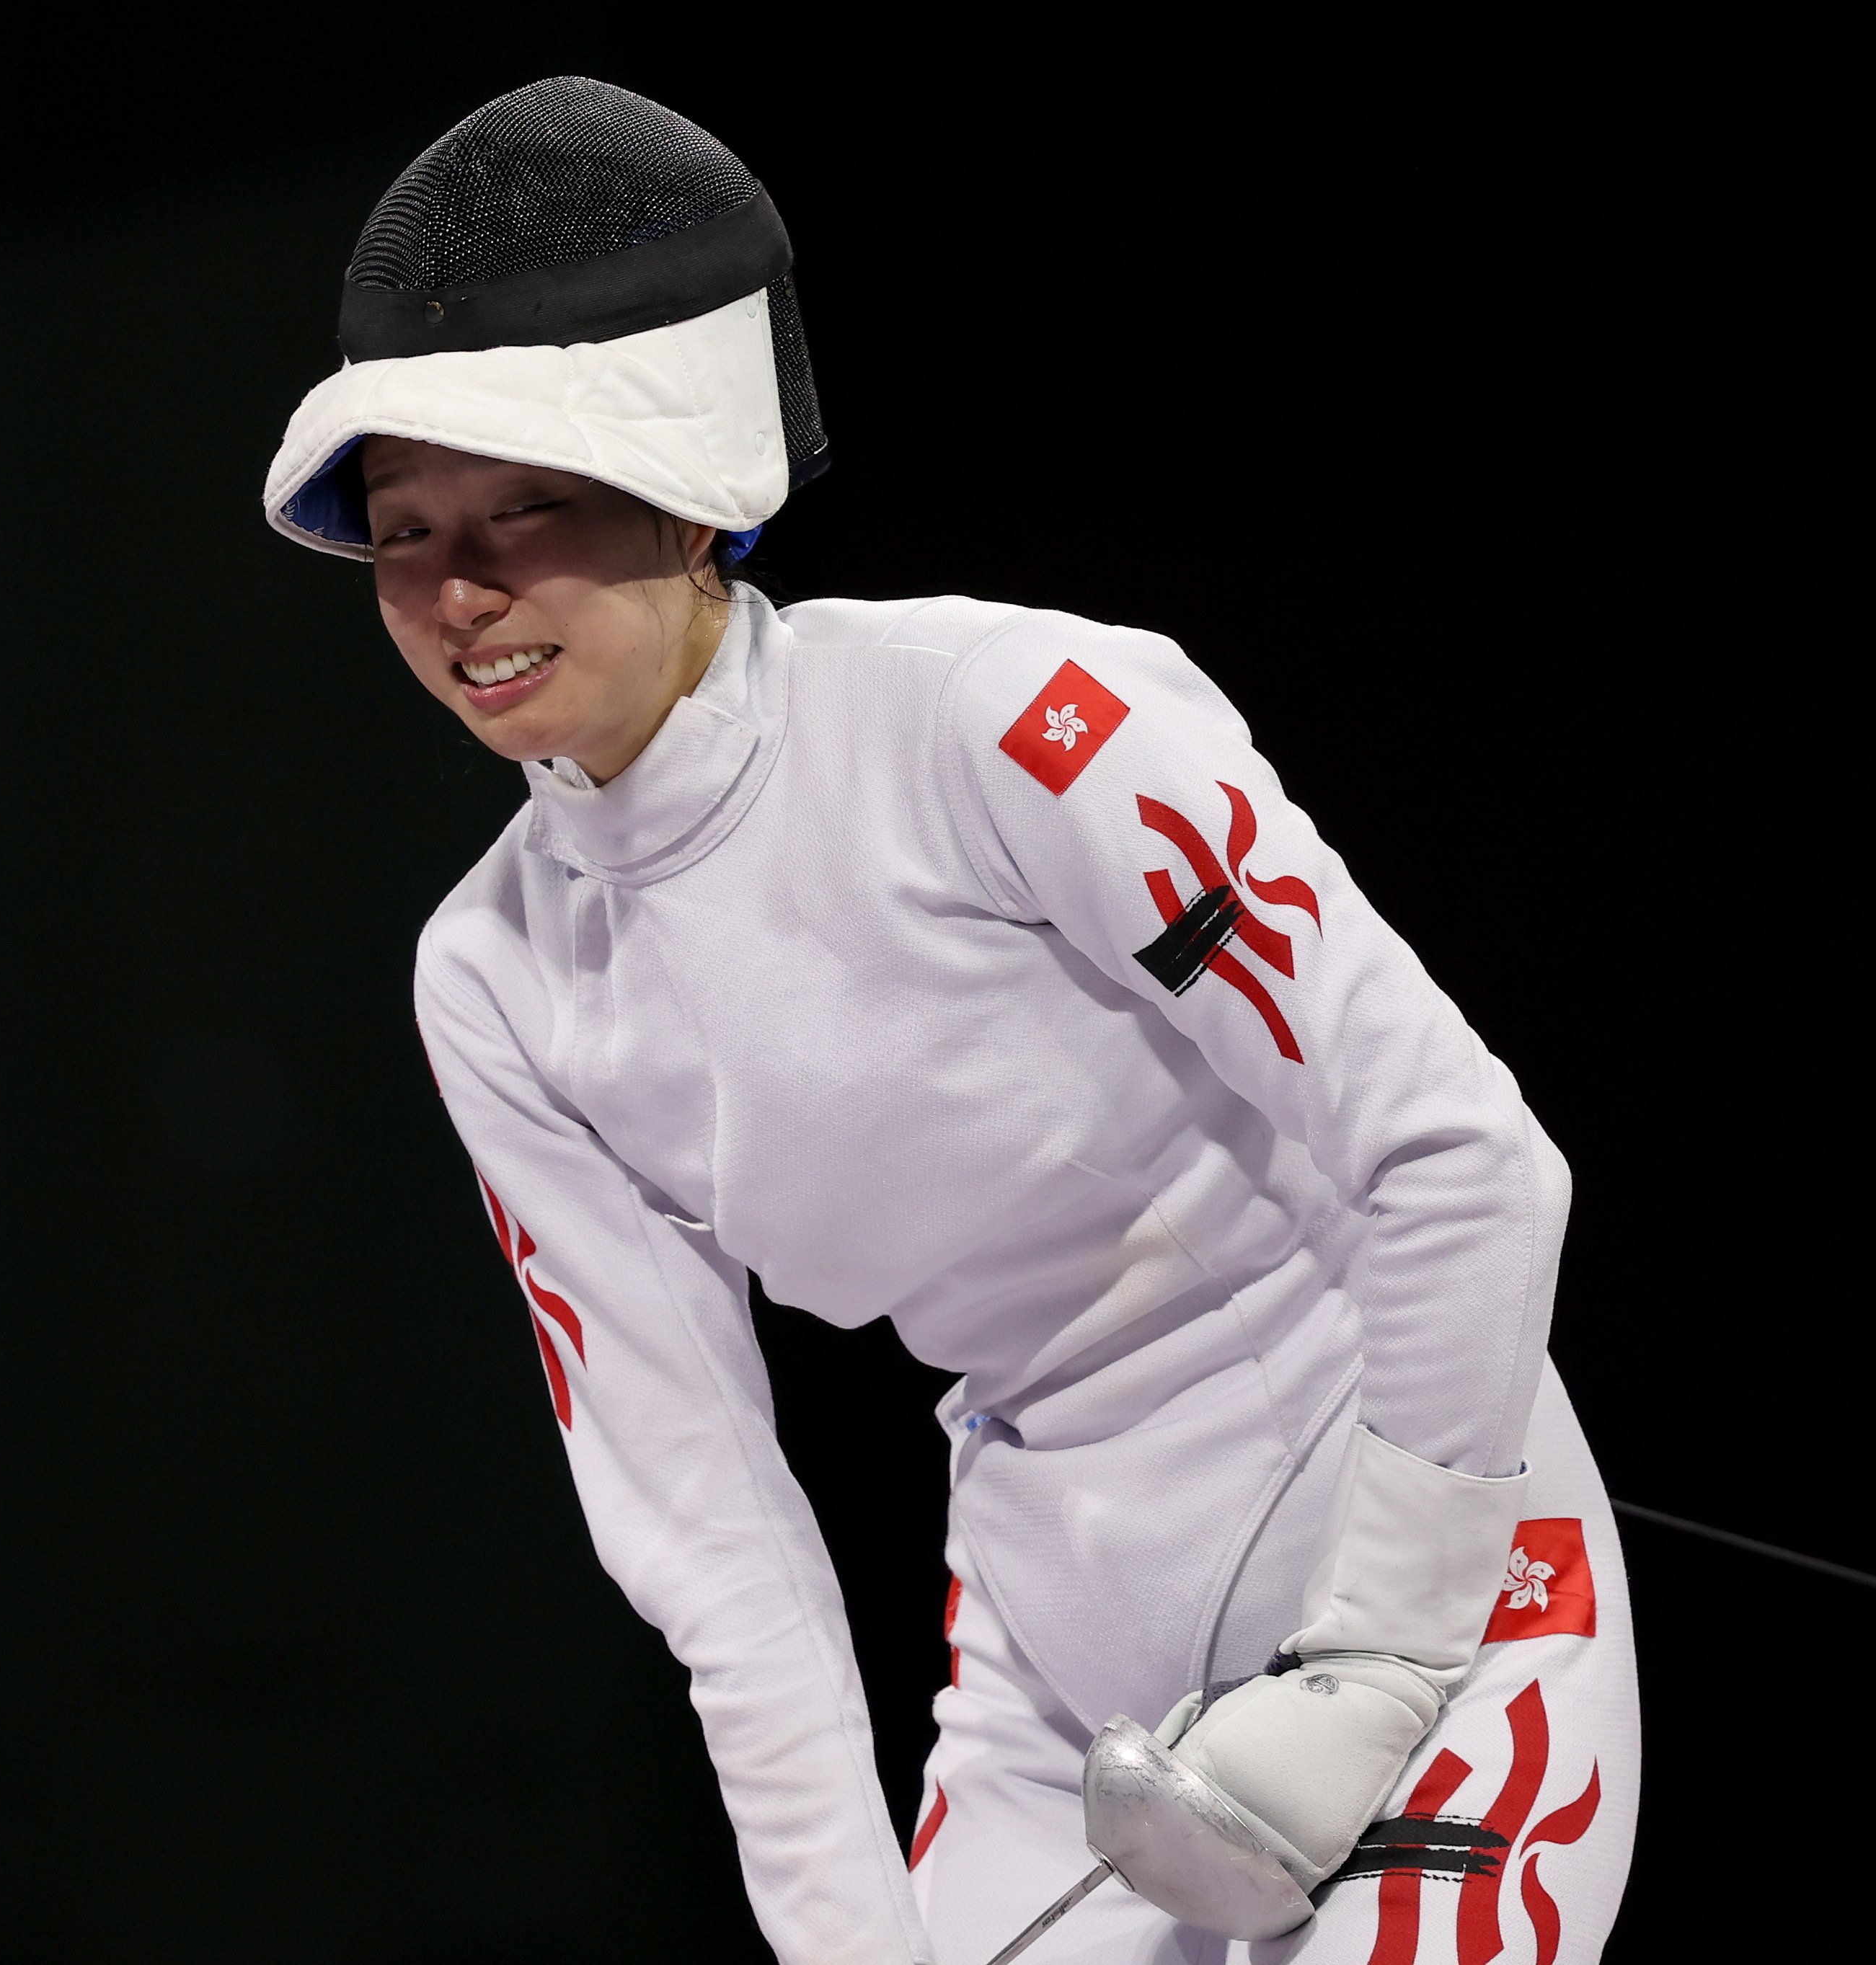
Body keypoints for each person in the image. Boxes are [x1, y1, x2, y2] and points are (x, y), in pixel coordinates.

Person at [262, 78, 1638, 1965]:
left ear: (690, 505)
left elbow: (1463, 1166)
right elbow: (711, 1533)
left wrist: (1380, 1666)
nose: (459, 589)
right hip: (1053, 1673)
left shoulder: (1010, 718)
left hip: (1435, 1580)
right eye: (406, 530)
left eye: (530, 509)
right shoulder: (494, 972)